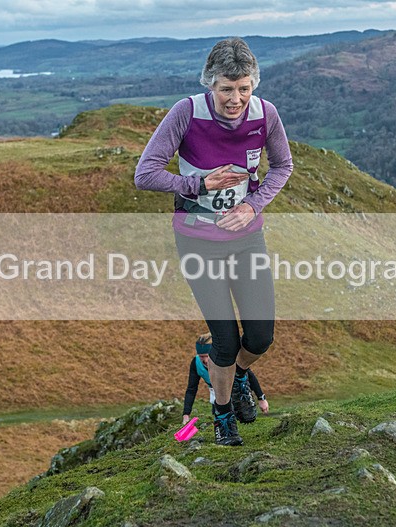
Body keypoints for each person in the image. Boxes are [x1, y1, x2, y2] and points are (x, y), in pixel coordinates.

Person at [135, 37, 293, 446]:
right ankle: (222, 415)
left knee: (260, 337)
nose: (236, 99)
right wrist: (198, 183)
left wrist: (252, 207)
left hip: (246, 239)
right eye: (226, 88)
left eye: (244, 88)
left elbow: (283, 166)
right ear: (210, 84)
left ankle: (238, 376)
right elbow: (146, 172)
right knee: (224, 339)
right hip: (197, 241)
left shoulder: (266, 115)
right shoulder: (186, 113)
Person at [183, 333, 270, 426]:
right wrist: (186, 414)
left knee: (245, 418)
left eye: (206, 355)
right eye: (201, 356)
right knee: (221, 419)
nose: (204, 360)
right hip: (217, 395)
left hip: (235, 391)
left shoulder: (227, 359)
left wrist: (261, 398)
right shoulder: (196, 363)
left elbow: (250, 376)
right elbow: (191, 389)